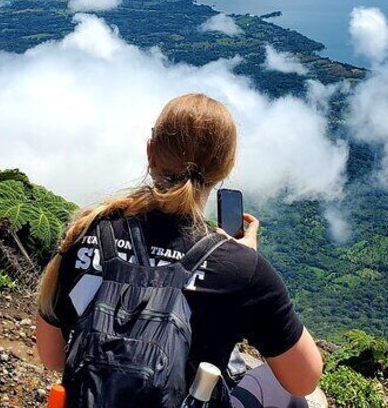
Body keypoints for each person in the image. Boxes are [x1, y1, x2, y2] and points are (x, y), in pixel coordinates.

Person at [35, 93, 323, 407]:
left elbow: (52, 356)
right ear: (225, 168)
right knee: (298, 397)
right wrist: (246, 262)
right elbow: (303, 379)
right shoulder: (241, 269)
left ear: (150, 152)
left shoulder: (90, 231)